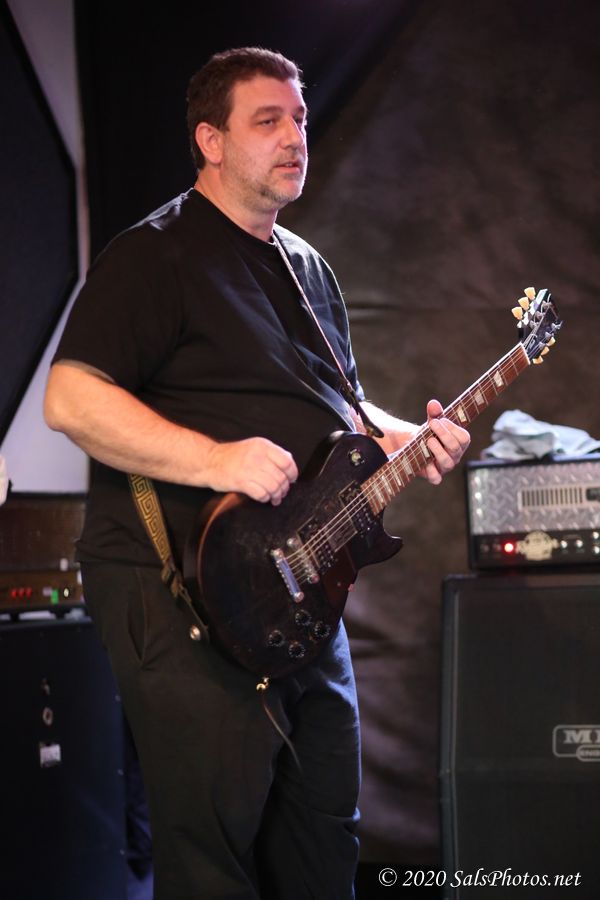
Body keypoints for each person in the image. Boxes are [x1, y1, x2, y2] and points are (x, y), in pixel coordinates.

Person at [44, 47, 470, 900]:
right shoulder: (155, 255)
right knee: (214, 859)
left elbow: (335, 404)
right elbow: (70, 398)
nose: (294, 137)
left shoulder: (307, 268)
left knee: (324, 838)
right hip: (180, 593)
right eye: (267, 120)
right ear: (210, 140)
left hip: (299, 588)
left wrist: (402, 434)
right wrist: (214, 459)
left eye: (300, 119)